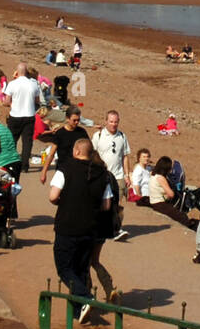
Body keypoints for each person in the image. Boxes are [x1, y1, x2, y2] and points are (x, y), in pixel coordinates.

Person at [49, 139, 114, 321]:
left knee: (64, 268)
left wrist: (67, 201)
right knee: (81, 269)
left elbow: (53, 196)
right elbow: (107, 205)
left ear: (77, 151)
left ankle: (86, 298)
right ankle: (80, 311)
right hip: (90, 228)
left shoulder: (66, 168)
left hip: (67, 226)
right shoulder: (103, 173)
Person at [88, 145, 121, 302]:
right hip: (106, 225)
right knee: (95, 260)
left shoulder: (92, 176)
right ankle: (109, 288)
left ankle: (85, 294)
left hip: (92, 223)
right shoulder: (109, 176)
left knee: (85, 260)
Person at [91, 110, 131, 241]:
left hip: (118, 175)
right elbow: (92, 155)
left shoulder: (122, 137)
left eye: (116, 122)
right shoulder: (98, 136)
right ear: (106, 121)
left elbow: (125, 156)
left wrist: (127, 174)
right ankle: (98, 227)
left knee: (117, 204)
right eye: (111, 121)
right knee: (101, 202)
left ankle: (117, 229)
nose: (114, 124)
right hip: (102, 175)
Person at [5, 62, 42, 179]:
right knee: (27, 142)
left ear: (17, 72)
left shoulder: (12, 84)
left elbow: (6, 101)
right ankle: (25, 165)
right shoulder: (33, 84)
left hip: (15, 115)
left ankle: (11, 162)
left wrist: (12, 105)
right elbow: (37, 100)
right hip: (29, 115)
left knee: (12, 140)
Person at [39, 105, 91, 185]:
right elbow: (51, 154)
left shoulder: (82, 132)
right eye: (74, 120)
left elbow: (90, 151)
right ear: (67, 118)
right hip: (63, 170)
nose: (77, 122)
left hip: (79, 170)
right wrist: (44, 172)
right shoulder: (60, 133)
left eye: (78, 120)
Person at [147, 156, 197, 228]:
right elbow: (171, 194)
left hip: (153, 201)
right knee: (182, 216)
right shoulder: (161, 178)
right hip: (160, 204)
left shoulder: (153, 175)